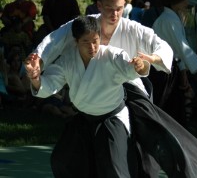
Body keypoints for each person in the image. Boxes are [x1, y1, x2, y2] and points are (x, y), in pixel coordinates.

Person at [28, 0, 197, 177]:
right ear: (99, 5)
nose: (115, 14)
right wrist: (39, 62)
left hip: (129, 85)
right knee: (70, 161)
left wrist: (150, 60)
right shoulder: (86, 27)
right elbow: (54, 41)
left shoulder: (133, 29)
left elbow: (161, 46)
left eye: (119, 9)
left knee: (147, 139)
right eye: (109, 9)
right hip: (93, 97)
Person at [25, 15, 150, 177]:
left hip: (113, 119)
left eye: (95, 40)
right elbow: (49, 85)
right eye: (86, 42)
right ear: (75, 42)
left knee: (116, 170)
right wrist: (35, 78)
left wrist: (139, 66)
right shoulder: (68, 60)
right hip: (84, 119)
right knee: (62, 161)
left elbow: (130, 69)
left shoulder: (112, 55)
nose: (92, 46)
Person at [152, 0, 197, 125]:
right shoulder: (167, 20)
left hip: (170, 70)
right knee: (167, 112)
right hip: (163, 73)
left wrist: (183, 73)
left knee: (175, 112)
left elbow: (177, 51)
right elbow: (182, 47)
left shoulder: (171, 19)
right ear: (177, 0)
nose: (187, 2)